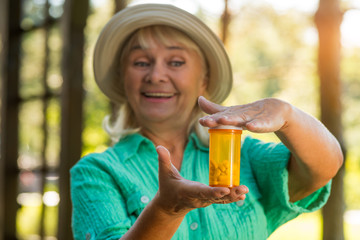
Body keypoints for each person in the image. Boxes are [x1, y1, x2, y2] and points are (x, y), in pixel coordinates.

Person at [70, 3, 343, 240]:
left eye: (176, 62)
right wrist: (166, 210)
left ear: (205, 79)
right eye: (141, 62)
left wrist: (287, 116)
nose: (156, 75)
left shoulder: (245, 156)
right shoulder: (97, 172)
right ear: (123, 78)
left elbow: (325, 166)